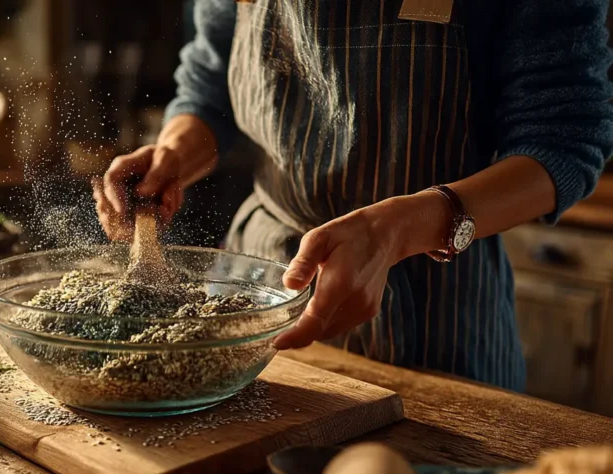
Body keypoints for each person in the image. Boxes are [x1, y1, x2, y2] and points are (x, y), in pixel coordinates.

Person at [93, 0, 613, 391]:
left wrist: (398, 229)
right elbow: (209, 90)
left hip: (440, 314)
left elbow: (564, 140)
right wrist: (173, 154)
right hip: (257, 294)